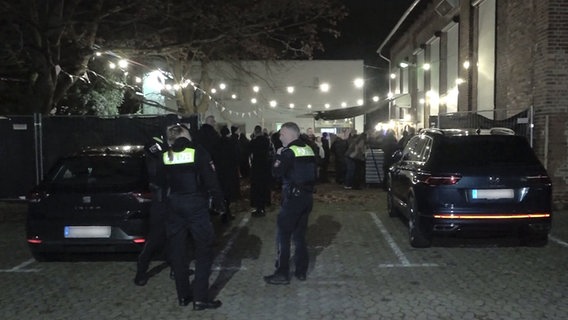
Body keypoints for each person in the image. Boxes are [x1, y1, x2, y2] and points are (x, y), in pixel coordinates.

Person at [162, 123, 224, 310]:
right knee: (203, 250)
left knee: (179, 252)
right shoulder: (197, 152)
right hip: (196, 205)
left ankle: (183, 296)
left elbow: (160, 181)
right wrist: (220, 202)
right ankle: (200, 298)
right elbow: (210, 179)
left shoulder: (166, 155)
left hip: (174, 206)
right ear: (183, 135)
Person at [264, 122, 316, 285]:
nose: (280, 137)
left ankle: (282, 273)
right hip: (307, 198)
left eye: (282, 134)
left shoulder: (288, 152)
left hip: (292, 199)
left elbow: (275, 172)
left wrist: (278, 155)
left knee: (283, 236)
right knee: (300, 236)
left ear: (291, 134)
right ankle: (301, 271)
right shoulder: (308, 148)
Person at [134, 135, 169, 286]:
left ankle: (177, 268)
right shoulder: (156, 144)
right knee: (155, 238)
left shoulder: (166, 145)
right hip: (160, 201)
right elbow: (158, 166)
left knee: (175, 237)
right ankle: (141, 270)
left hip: (171, 199)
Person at [216, 125, 239, 222]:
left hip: (220, 172)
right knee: (228, 192)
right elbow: (236, 156)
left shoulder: (217, 143)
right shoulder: (231, 143)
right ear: (228, 133)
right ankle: (227, 213)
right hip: (230, 171)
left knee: (222, 191)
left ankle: (223, 212)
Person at [249, 125, 272, 217]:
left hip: (256, 167)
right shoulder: (266, 141)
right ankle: (265, 204)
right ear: (261, 131)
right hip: (265, 166)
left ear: (255, 132)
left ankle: (259, 208)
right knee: (264, 186)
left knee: (257, 187)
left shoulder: (254, 142)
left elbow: (248, 151)